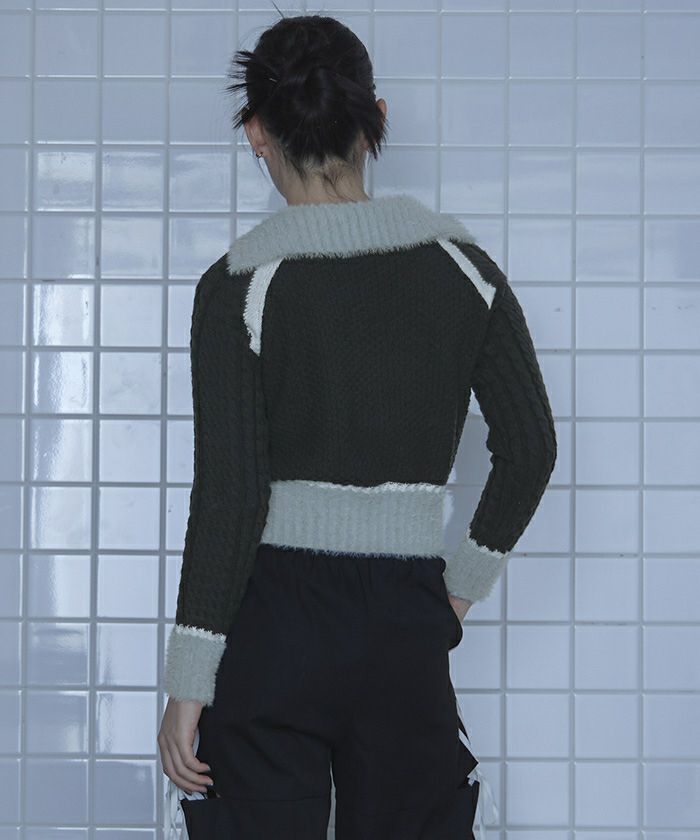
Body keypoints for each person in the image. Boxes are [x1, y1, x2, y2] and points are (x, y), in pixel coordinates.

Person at [157, 11, 556, 840]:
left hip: (274, 624)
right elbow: (530, 451)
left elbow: (229, 496)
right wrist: (452, 595)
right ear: (376, 115)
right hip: (404, 624)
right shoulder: (464, 271)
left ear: (257, 130)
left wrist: (189, 683)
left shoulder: (238, 285)